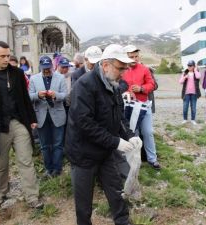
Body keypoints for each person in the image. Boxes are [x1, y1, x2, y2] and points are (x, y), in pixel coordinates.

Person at [65, 44, 141, 225]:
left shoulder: (113, 85)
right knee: (84, 202)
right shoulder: (84, 85)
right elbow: (85, 124)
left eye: (125, 68)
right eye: (120, 68)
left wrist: (130, 135)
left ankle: (123, 221)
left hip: (105, 151)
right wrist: (116, 142)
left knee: (116, 191)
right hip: (83, 153)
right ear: (105, 65)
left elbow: (119, 117)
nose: (123, 73)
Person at [0, 41, 43, 209]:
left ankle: (32, 196)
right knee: (0, 164)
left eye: (8, 55)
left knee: (26, 160)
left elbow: (25, 98)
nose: (6, 59)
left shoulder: (17, 73)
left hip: (18, 122)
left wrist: (32, 118)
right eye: (2, 56)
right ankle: (0, 192)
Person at [122, 44, 160, 169]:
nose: (134, 59)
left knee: (148, 132)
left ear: (139, 56)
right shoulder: (122, 70)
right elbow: (118, 86)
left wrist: (142, 88)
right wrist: (126, 92)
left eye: (136, 56)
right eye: (131, 56)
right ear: (126, 57)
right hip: (129, 108)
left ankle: (152, 159)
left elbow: (152, 84)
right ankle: (135, 160)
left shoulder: (144, 69)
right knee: (134, 134)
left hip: (144, 106)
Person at [29, 56, 67, 178]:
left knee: (58, 144)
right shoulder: (34, 79)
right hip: (41, 116)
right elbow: (29, 97)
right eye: (44, 68)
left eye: (48, 68)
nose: (46, 70)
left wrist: (55, 95)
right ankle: (48, 169)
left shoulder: (60, 78)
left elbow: (65, 95)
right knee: (44, 145)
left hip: (58, 115)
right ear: (40, 67)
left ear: (52, 66)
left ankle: (57, 168)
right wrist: (38, 95)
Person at [179, 60, 201, 125]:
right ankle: (185, 119)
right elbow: (180, 82)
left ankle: (193, 120)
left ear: (194, 66)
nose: (189, 67)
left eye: (190, 65)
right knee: (185, 107)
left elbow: (198, 77)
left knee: (193, 107)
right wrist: (185, 77)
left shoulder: (196, 73)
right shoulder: (185, 73)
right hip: (186, 93)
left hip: (194, 93)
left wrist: (196, 70)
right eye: (188, 65)